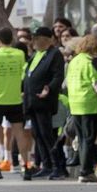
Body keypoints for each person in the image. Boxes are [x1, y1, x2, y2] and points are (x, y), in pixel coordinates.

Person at [24, 25, 68, 180]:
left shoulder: (55, 54)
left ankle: (59, 165)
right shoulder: (37, 54)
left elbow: (58, 76)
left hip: (44, 101)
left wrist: (49, 88)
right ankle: (46, 164)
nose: (34, 41)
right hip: (32, 101)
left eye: (37, 38)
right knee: (38, 134)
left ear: (47, 39)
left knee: (47, 133)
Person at [0, 26, 29, 180]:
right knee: (19, 134)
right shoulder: (20, 54)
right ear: (12, 39)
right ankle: (25, 166)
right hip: (15, 98)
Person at [67, 33, 97, 183]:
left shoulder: (74, 61)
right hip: (88, 103)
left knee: (82, 137)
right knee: (89, 138)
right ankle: (85, 171)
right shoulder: (90, 62)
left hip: (75, 102)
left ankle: (85, 170)